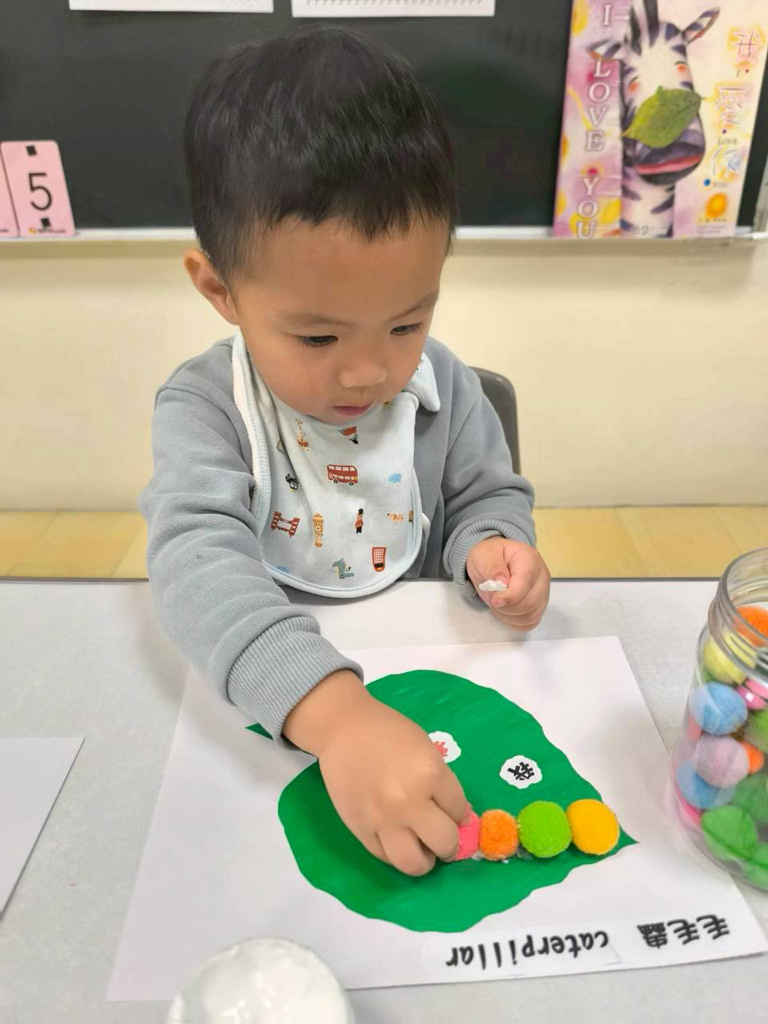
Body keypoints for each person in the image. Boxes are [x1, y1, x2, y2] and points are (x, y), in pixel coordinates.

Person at [138, 26, 550, 878]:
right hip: (280, 697)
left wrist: (494, 546)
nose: (371, 372)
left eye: (408, 322)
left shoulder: (442, 384)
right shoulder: (206, 407)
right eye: (319, 336)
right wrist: (333, 716)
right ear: (220, 289)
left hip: (431, 663)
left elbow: (486, 495)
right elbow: (194, 564)